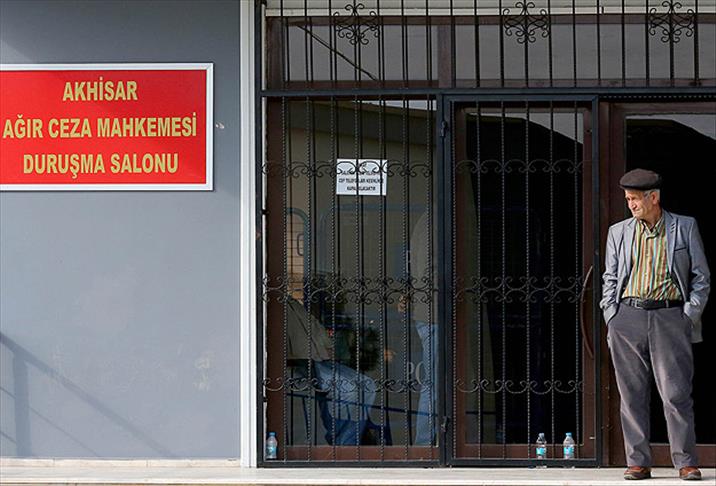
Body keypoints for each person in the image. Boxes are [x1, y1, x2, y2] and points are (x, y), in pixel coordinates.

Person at [601, 168, 710, 481]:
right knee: (631, 394)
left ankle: (685, 462)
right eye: (628, 200)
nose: (631, 205)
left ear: (654, 198)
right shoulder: (618, 232)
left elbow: (701, 277)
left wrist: (688, 315)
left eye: (635, 199)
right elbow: (610, 277)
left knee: (676, 393)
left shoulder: (684, 226)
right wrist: (611, 314)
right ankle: (638, 462)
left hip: (670, 317)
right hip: (627, 317)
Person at [286, 294, 377, 445]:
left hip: (318, 357)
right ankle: (343, 444)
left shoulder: (290, 302)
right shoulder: (277, 303)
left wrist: (326, 344)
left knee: (368, 385)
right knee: (348, 390)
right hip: (302, 361)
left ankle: (348, 440)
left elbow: (312, 325)